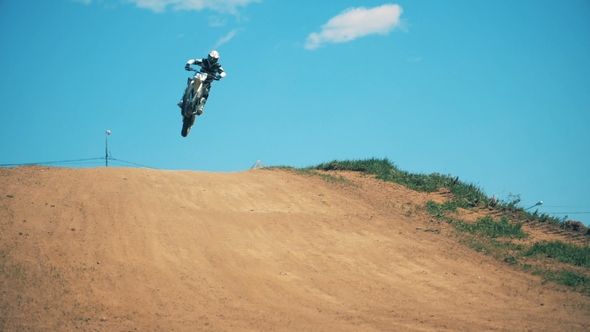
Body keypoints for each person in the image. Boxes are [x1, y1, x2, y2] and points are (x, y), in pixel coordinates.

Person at [178, 50, 226, 115]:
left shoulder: (217, 66)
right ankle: (183, 100)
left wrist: (219, 76)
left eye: (213, 59)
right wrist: (188, 64)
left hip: (208, 80)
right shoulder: (204, 61)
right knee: (190, 83)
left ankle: (201, 106)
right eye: (210, 58)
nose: (211, 60)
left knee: (206, 93)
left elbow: (223, 73)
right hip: (200, 76)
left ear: (216, 59)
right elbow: (194, 60)